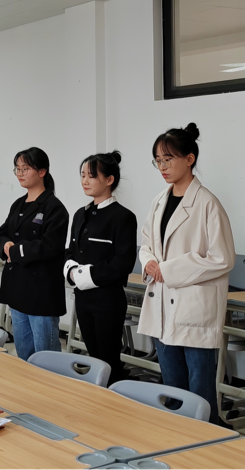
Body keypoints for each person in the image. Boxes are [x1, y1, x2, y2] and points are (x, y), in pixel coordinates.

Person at [137, 123, 234, 424]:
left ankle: (210, 440)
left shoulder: (207, 204)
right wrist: (148, 261)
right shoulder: (158, 201)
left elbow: (222, 258)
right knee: (173, 388)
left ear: (189, 159)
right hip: (162, 304)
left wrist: (167, 269)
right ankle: (179, 439)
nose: (162, 167)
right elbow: (147, 242)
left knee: (199, 391)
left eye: (168, 159)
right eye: (158, 160)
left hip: (194, 309)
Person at [63, 151, 137, 386]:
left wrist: (85, 275)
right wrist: (71, 271)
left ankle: (113, 397)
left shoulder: (123, 217)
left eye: (91, 176)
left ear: (109, 180)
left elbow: (123, 262)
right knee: (93, 357)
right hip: (83, 298)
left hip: (108, 300)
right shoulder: (80, 214)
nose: (85, 180)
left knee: (108, 359)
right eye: (83, 175)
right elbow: (70, 251)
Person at [0, 147, 69, 361]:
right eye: (17, 169)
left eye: (25, 169)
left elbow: (50, 246)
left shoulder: (54, 208)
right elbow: (1, 233)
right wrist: (5, 245)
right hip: (17, 289)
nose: (20, 173)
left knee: (45, 356)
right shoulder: (18, 204)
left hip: (41, 293)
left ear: (42, 171)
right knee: (23, 353)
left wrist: (15, 250)